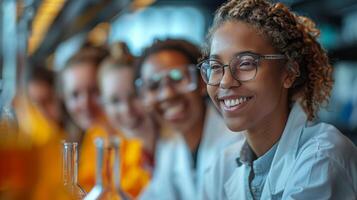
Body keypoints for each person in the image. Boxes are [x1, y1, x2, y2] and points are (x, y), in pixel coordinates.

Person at [198, 0, 357, 199]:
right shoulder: (222, 165)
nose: (225, 81)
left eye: (246, 63)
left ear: (289, 72)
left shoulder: (323, 155)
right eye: (214, 66)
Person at [136, 39, 244, 200]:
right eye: (153, 85)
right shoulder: (169, 144)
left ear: (202, 81)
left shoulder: (236, 143)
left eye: (178, 77)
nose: (167, 94)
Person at [96, 41, 158, 196]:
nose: (127, 110)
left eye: (134, 96)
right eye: (115, 101)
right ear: (104, 106)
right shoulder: (142, 152)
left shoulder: (173, 147)